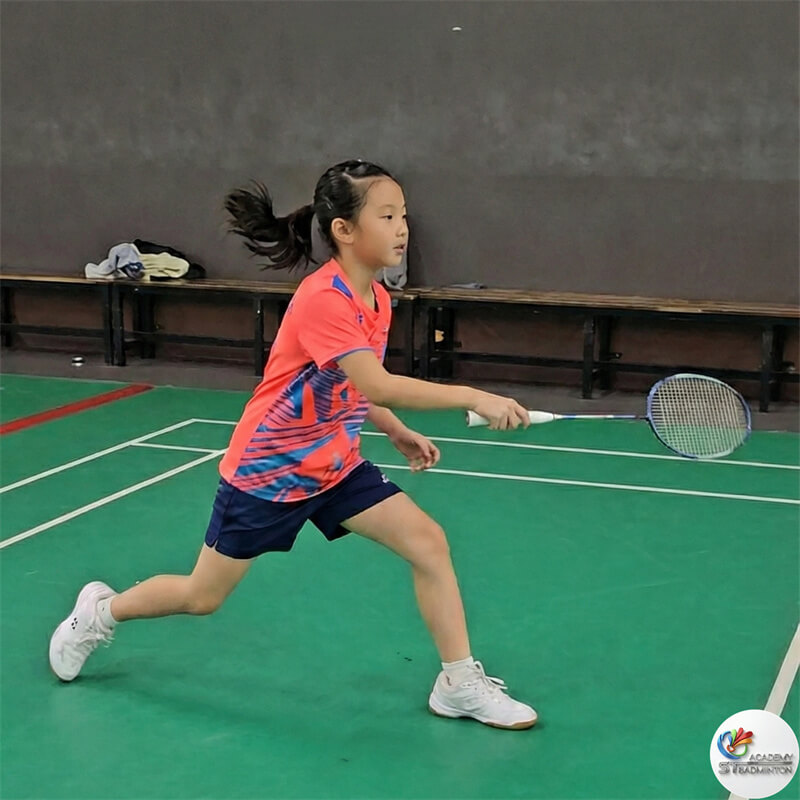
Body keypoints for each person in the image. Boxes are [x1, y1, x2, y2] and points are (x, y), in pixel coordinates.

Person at [49, 159, 538, 730]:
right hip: (267, 472)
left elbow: (352, 385)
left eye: (404, 215)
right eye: (387, 216)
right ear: (344, 230)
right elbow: (377, 381)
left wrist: (392, 428)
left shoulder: (376, 298)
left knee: (428, 542)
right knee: (203, 596)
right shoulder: (324, 299)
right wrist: (472, 396)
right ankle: (100, 613)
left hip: (332, 465)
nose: (402, 228)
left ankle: (458, 682)